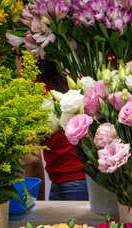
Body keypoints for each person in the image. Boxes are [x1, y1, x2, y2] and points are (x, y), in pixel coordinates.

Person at [39, 61, 89, 201]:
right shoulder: (76, 83)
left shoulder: (41, 90)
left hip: (71, 179)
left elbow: (31, 156)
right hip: (66, 177)